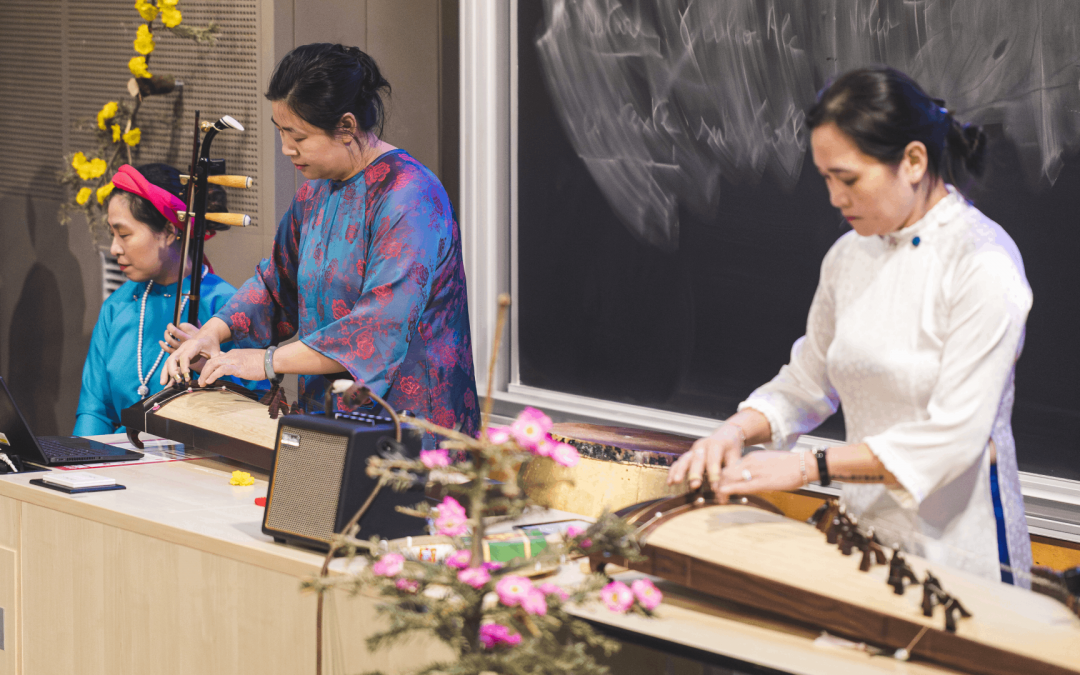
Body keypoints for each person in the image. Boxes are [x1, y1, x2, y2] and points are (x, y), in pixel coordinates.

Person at [668, 66, 1032, 586]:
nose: (836, 199)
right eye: (827, 180)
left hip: (962, 546)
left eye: (849, 179)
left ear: (913, 160)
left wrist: (807, 469)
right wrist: (734, 430)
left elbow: (954, 439)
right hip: (867, 531)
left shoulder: (983, 263)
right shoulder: (848, 255)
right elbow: (808, 381)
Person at [162, 43, 479, 444]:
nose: (285, 149)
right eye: (281, 132)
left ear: (345, 127)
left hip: (412, 424)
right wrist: (212, 333)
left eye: (298, 136)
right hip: (332, 415)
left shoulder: (409, 196)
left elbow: (378, 327)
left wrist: (266, 361)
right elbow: (275, 286)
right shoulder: (313, 195)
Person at [75, 163, 248, 435]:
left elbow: (252, 406)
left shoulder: (226, 306)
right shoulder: (117, 306)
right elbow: (94, 409)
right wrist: (81, 466)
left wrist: (211, 371)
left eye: (125, 234)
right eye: (113, 235)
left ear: (168, 231)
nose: (114, 248)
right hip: (117, 465)